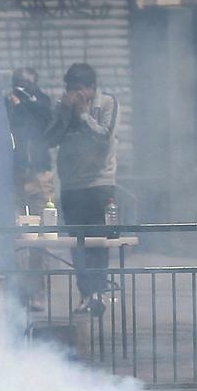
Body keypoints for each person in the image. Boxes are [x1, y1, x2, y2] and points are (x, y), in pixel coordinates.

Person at [46, 63, 118, 315]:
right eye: (70, 89)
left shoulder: (106, 103)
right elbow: (49, 139)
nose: (74, 94)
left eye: (78, 89)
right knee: (76, 243)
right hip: (71, 185)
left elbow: (103, 138)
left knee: (98, 241)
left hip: (99, 183)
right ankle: (85, 293)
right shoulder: (63, 106)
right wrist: (66, 115)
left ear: (91, 87)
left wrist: (84, 114)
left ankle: (99, 293)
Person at [5, 67, 53, 311]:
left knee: (39, 234)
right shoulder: (6, 102)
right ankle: (17, 290)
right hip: (16, 171)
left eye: (27, 85)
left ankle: (36, 291)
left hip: (39, 172)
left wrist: (24, 102)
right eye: (19, 84)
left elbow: (45, 120)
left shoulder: (41, 102)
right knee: (15, 232)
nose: (22, 89)